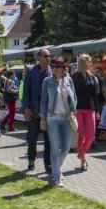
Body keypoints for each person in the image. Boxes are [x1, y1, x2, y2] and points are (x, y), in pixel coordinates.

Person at [39, 56, 77, 187]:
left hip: (66, 118)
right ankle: (57, 177)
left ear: (62, 67)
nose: (53, 69)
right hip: (52, 118)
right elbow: (43, 101)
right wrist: (42, 120)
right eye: (52, 66)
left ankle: (55, 167)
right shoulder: (47, 81)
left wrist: (72, 111)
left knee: (66, 148)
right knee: (54, 149)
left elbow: (74, 99)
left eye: (56, 66)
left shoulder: (69, 80)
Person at [22, 48, 53, 172]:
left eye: (49, 55)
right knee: (33, 138)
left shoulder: (52, 71)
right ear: (39, 58)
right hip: (34, 109)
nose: (48, 58)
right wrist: (26, 107)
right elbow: (26, 92)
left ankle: (48, 164)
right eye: (46, 56)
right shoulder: (31, 71)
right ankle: (31, 160)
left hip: (49, 110)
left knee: (49, 139)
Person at [72, 54, 100, 171]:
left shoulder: (92, 77)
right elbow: (71, 94)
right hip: (77, 108)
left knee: (91, 135)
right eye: (89, 61)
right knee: (80, 135)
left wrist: (97, 111)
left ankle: (81, 152)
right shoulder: (74, 76)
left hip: (90, 108)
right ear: (83, 62)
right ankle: (83, 160)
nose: (91, 63)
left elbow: (94, 95)